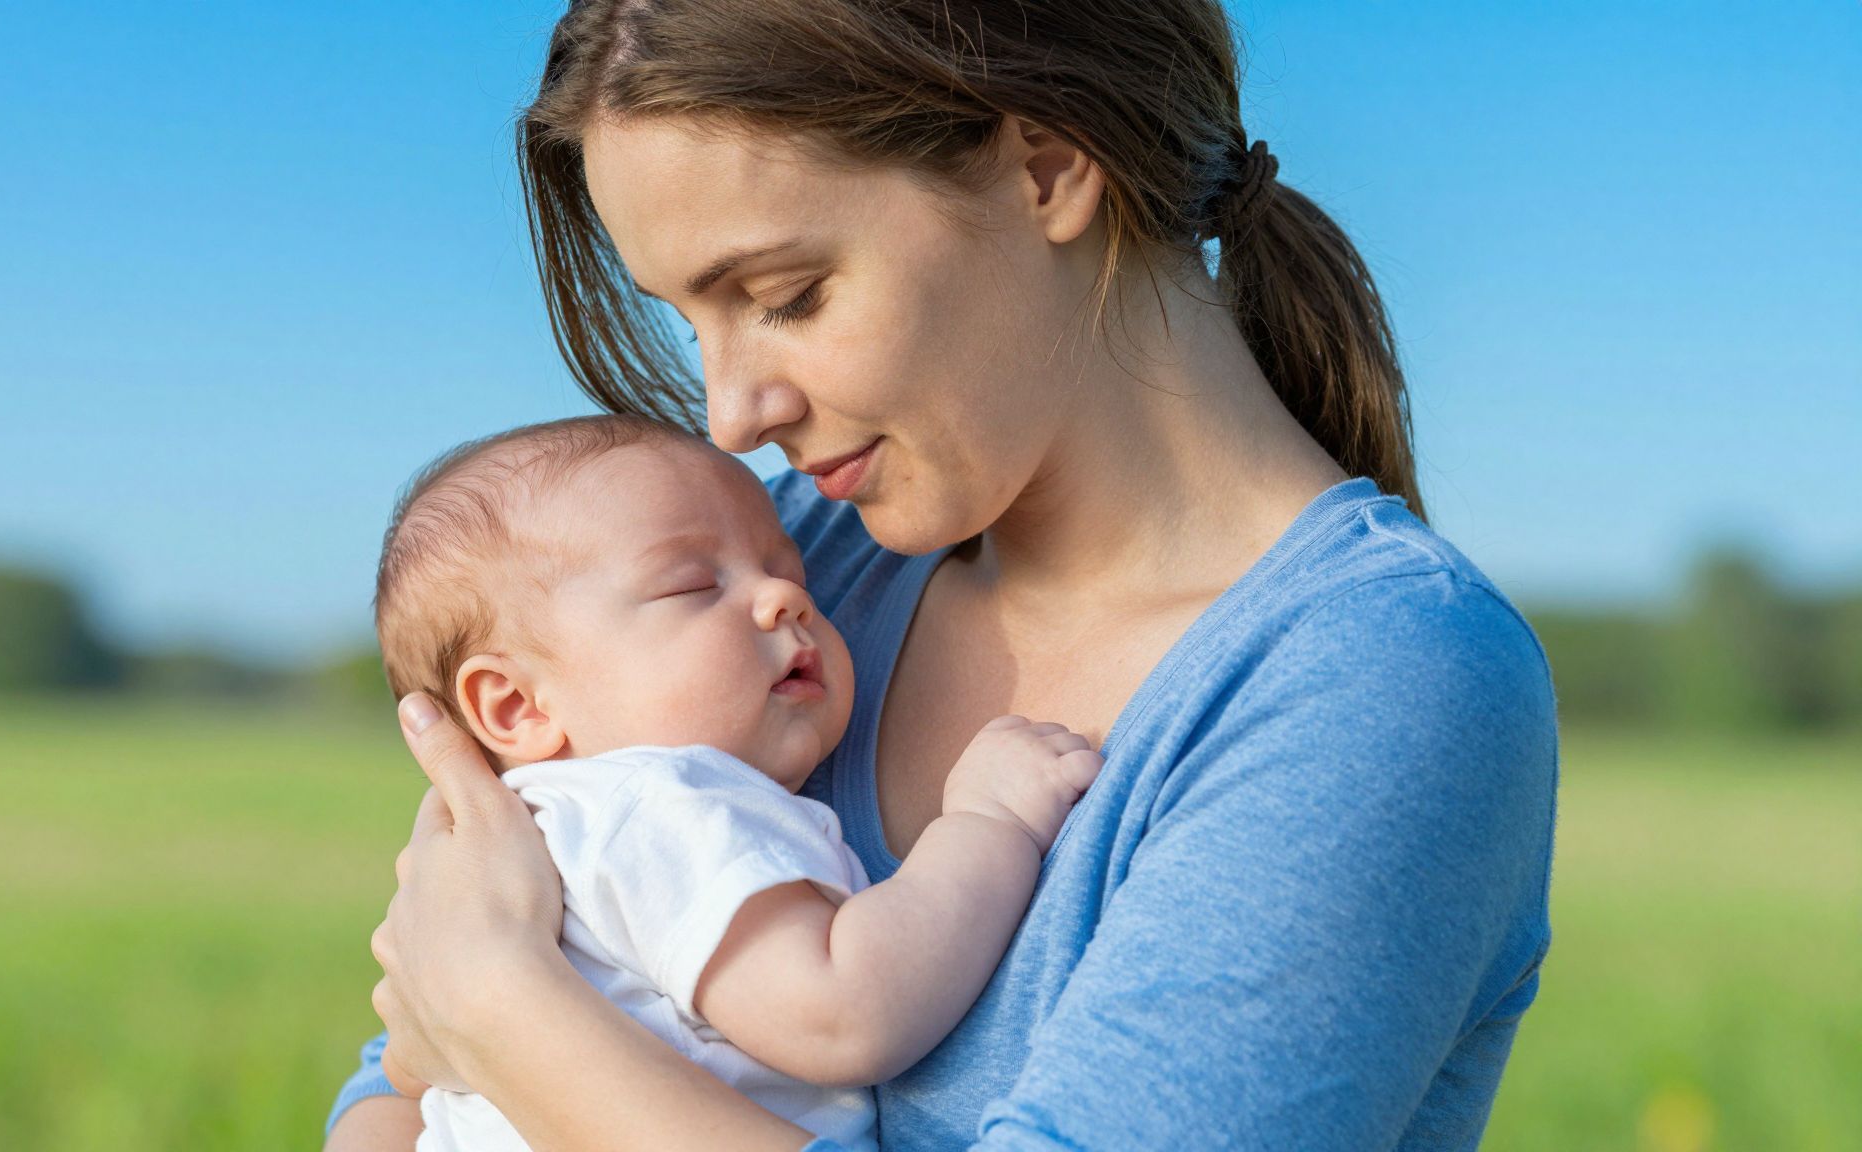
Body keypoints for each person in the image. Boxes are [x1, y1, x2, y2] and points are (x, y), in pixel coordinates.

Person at [333, 1, 1559, 1148]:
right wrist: (471, 1019)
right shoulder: (775, 566)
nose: (730, 415)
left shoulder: (1377, 681)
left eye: (785, 296)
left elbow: (466, 1000)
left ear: (1047, 169)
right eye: (686, 321)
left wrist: (502, 1011)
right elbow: (396, 1095)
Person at [370, 415, 1101, 1151]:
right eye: (692, 585)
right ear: (517, 707)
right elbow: (844, 1013)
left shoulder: (530, 843)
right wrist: (990, 822)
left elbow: (408, 1063)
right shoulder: (658, 805)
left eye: (795, 575)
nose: (785, 598)